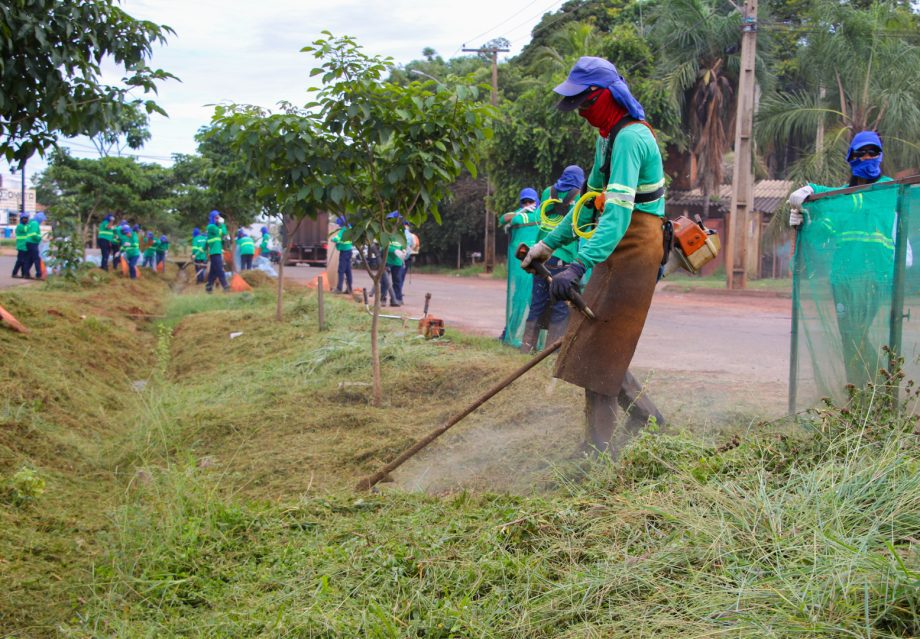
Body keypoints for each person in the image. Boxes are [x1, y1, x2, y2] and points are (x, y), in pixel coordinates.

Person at [521, 56, 667, 454]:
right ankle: (638, 428)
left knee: (600, 349)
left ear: (605, 96)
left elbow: (618, 212)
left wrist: (580, 263)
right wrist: (547, 245)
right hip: (616, 244)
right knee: (595, 345)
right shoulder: (607, 136)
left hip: (637, 247)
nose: (581, 113)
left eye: (585, 104)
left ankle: (604, 445)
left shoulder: (632, 138)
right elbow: (589, 203)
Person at [788, 130, 904, 387]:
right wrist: (803, 219)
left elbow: (861, 200)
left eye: (873, 152)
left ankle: (878, 390)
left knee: (856, 334)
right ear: (851, 158)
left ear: (880, 155)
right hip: (843, 277)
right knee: (848, 337)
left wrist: (815, 190)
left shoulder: (889, 189)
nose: (867, 157)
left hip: (876, 276)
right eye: (861, 152)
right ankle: (859, 397)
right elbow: (822, 229)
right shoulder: (840, 198)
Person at [520, 166, 584, 353]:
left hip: (540, 257)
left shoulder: (549, 191)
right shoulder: (580, 196)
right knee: (560, 306)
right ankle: (551, 351)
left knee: (538, 303)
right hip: (563, 260)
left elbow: (541, 216)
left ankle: (527, 346)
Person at [498, 188, 540, 348]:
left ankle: (531, 339)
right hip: (520, 264)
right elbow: (503, 219)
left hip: (536, 260)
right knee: (519, 300)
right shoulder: (518, 215)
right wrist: (521, 211)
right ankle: (510, 334)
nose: (528, 204)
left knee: (534, 300)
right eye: (525, 202)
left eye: (531, 201)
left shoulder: (540, 214)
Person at [205, 210, 230, 292]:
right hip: (214, 252)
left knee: (213, 271)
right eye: (216, 218)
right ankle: (225, 286)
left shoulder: (216, 226)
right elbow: (223, 232)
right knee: (219, 269)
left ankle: (209, 287)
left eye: (218, 217)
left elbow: (222, 237)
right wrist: (222, 224)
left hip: (217, 251)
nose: (218, 219)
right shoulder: (211, 227)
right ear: (212, 218)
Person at [332, 217, 353, 294]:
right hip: (349, 251)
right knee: (348, 271)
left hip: (344, 252)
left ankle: (339, 288)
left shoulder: (344, 229)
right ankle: (349, 289)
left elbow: (337, 238)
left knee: (341, 270)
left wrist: (333, 239)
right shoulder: (350, 228)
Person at [24, 211, 45, 279]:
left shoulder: (31, 223)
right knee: (36, 259)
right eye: (42, 220)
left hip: (28, 242)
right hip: (33, 242)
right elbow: (34, 235)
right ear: (39, 219)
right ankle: (38, 274)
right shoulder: (35, 224)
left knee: (29, 259)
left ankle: (26, 273)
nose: (42, 222)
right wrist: (39, 238)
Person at [11, 214, 29, 278]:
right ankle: (14, 273)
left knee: (24, 261)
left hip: (25, 246)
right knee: (20, 261)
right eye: (24, 218)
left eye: (26, 218)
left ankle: (23, 274)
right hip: (21, 246)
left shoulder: (25, 226)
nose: (26, 220)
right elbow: (26, 229)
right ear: (21, 219)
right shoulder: (20, 226)